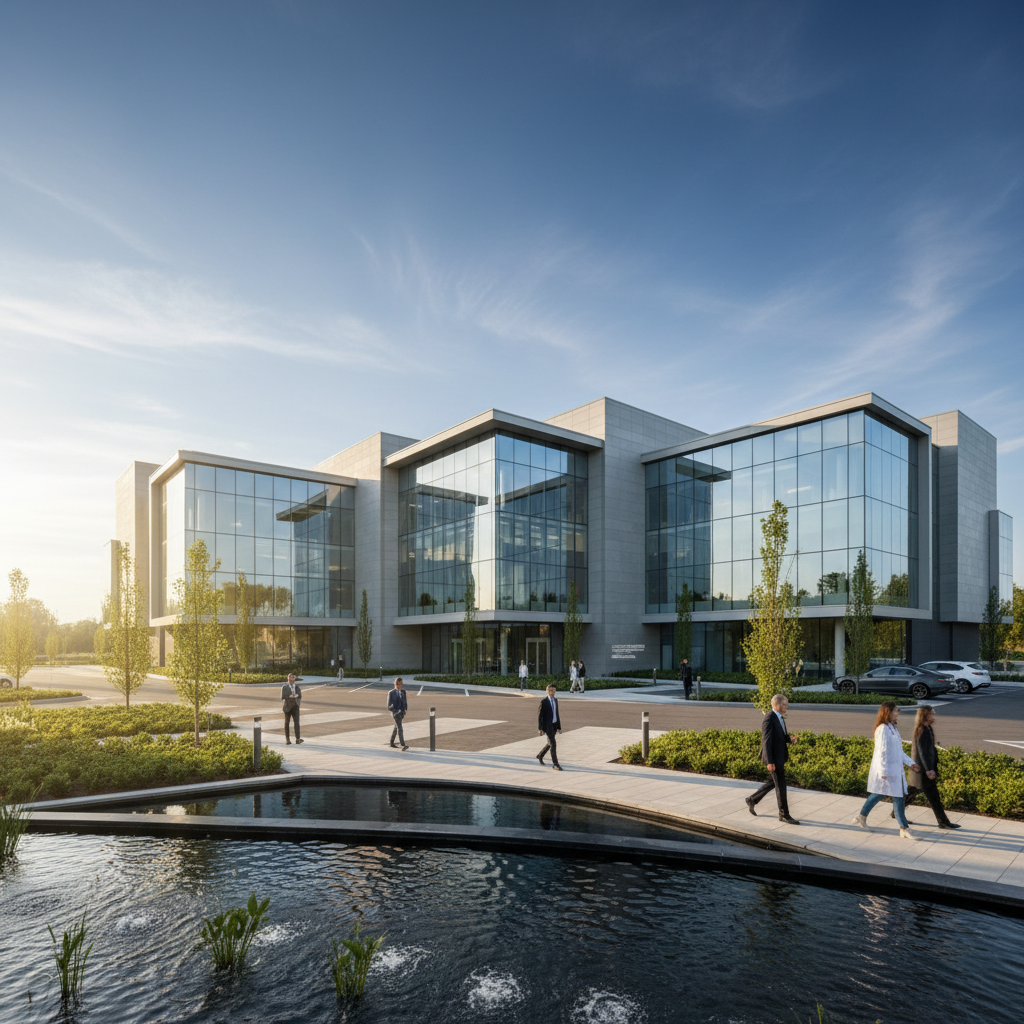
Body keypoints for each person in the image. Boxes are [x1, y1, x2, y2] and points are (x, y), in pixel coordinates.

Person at [853, 701, 919, 840]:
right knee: (894, 797)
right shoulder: (882, 729)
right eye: (895, 711)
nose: (897, 713)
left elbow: (899, 751)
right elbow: (881, 752)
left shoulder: (892, 728)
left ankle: (862, 817)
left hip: (895, 770)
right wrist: (883, 772)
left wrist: (911, 763)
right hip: (886, 770)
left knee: (887, 795)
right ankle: (903, 828)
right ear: (888, 713)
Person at [745, 693, 800, 823]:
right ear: (777, 704)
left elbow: (780, 736)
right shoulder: (769, 718)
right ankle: (784, 814)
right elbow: (766, 741)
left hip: (779, 757)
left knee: (774, 782)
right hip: (774, 759)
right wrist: (769, 761)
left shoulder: (779, 717)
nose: (786, 706)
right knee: (781, 786)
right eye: (784, 704)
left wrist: (790, 739)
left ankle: (752, 799)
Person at [907, 706, 961, 829]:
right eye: (932, 714)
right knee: (933, 796)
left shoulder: (927, 728)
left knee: (913, 792)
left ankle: (896, 812)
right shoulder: (922, 730)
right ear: (925, 715)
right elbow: (923, 752)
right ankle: (943, 822)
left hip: (923, 769)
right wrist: (928, 769)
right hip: (923, 771)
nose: (934, 716)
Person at [536, 683, 563, 770]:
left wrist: (559, 727)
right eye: (550, 689)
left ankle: (540, 755)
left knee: (550, 743)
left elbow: (556, 714)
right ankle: (555, 764)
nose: (552, 691)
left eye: (554, 689)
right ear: (547, 691)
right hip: (547, 726)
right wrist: (540, 728)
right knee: (553, 744)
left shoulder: (555, 700)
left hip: (554, 725)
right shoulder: (544, 702)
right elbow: (540, 716)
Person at [280, 673, 303, 744]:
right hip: (287, 707)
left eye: (292, 677)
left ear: (295, 678)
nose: (291, 679)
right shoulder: (284, 687)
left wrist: (297, 702)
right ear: (288, 678)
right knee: (287, 723)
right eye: (289, 677)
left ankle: (298, 739)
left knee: (297, 723)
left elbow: (300, 696)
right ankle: (287, 739)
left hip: (295, 707)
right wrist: (289, 696)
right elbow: (282, 697)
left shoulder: (297, 687)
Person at [387, 676, 409, 750]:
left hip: (401, 713)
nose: (398, 686)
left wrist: (405, 709)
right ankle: (403, 744)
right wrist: (395, 711)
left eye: (399, 684)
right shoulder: (391, 693)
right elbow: (389, 706)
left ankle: (391, 742)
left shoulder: (403, 692)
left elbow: (405, 701)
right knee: (400, 728)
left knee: (396, 727)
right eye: (397, 684)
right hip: (395, 713)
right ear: (395, 684)